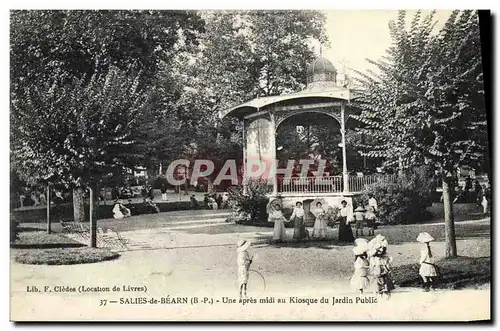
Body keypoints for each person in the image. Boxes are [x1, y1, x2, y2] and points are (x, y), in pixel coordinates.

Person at [369, 234, 394, 299]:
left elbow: (388, 262)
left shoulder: (385, 256)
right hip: (377, 268)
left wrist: (387, 268)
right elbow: (372, 261)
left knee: (385, 279)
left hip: (383, 268)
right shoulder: (374, 257)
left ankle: (386, 292)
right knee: (377, 279)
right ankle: (379, 292)